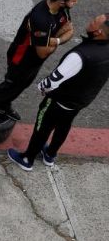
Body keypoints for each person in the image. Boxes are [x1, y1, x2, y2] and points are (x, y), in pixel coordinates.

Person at [7, 13, 109, 171]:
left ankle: (27, 158)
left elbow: (54, 79)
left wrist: (42, 87)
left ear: (99, 32)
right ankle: (50, 154)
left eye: (95, 21)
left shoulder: (80, 56)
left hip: (59, 101)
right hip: (80, 101)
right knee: (64, 125)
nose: (91, 21)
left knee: (42, 127)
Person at [0, 0, 80, 129]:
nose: (75, 3)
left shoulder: (62, 10)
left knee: (23, 85)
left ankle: (4, 105)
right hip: (21, 58)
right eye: (73, 1)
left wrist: (53, 41)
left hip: (34, 61)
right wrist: (58, 40)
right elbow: (43, 52)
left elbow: (70, 30)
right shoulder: (41, 19)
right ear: (61, 1)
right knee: (9, 86)